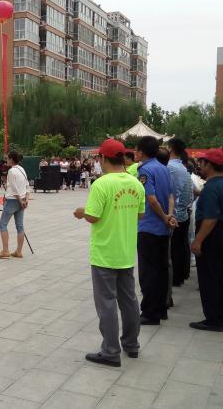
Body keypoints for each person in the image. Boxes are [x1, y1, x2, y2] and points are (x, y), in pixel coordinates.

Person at [74, 139, 145, 367]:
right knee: (129, 300)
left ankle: (111, 351)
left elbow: (93, 216)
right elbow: (140, 214)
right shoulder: (136, 184)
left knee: (106, 302)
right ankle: (132, 345)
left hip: (105, 253)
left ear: (103, 158)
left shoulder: (102, 184)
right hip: (125, 252)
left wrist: (82, 211)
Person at [189, 149, 223, 331]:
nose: (199, 165)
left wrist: (198, 241)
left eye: (202, 162)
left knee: (209, 277)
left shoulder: (211, 188)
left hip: (213, 235)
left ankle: (213, 319)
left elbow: (210, 218)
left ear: (209, 165)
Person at [136, 136, 177, 325]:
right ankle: (161, 309)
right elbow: (170, 195)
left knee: (148, 273)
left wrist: (163, 217)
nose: (135, 153)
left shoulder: (144, 170)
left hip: (150, 227)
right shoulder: (163, 168)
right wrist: (169, 216)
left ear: (142, 152)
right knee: (161, 271)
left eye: (136, 150)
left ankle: (149, 312)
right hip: (162, 228)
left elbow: (151, 200)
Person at [167, 138, 194, 287]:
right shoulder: (183, 168)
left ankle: (176, 278)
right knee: (181, 247)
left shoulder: (170, 167)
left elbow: (172, 194)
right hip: (184, 213)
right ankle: (182, 275)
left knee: (174, 250)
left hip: (175, 215)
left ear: (170, 149)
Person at [0, 151, 29, 259]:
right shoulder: (22, 169)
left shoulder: (11, 171)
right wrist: (25, 200)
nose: (6, 161)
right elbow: (27, 186)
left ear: (11, 159)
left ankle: (5, 250)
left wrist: (20, 200)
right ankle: (19, 251)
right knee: (20, 226)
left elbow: (14, 189)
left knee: (3, 224)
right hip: (22, 200)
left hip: (12, 200)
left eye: (7, 158)